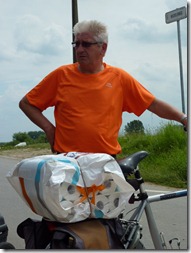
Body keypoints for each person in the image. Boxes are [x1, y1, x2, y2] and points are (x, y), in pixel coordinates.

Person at [19, 20, 187, 156]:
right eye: (76, 44)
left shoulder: (119, 78)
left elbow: (153, 104)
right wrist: (49, 129)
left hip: (105, 161)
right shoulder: (61, 75)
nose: (79, 49)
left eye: (86, 44)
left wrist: (183, 119)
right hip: (67, 161)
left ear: (103, 47)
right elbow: (27, 103)